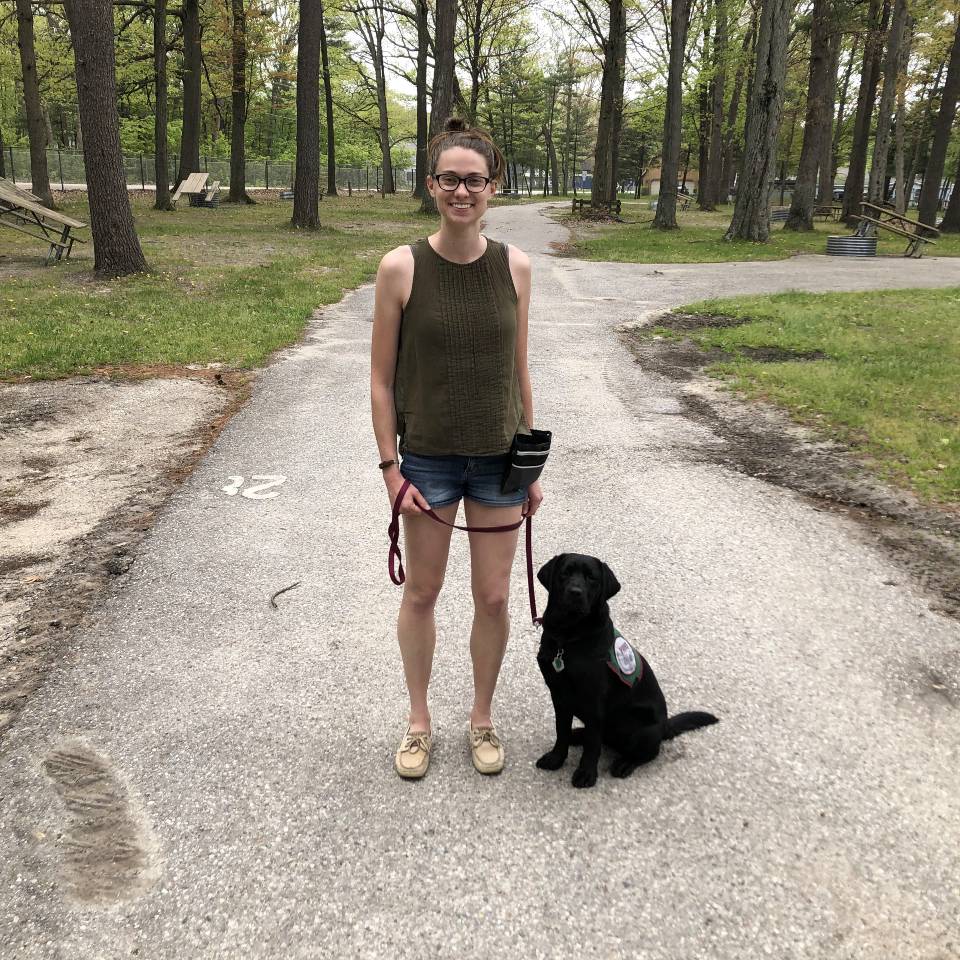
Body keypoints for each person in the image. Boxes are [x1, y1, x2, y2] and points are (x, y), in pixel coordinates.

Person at [370, 118, 543, 780]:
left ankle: (482, 716)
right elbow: (381, 381)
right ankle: (418, 722)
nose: (462, 191)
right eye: (450, 179)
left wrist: (530, 462)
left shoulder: (517, 268)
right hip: (429, 462)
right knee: (422, 591)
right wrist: (391, 469)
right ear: (432, 185)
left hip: (499, 460)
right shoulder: (401, 268)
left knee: (495, 597)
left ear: (493, 188)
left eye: (475, 180)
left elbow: (519, 371)